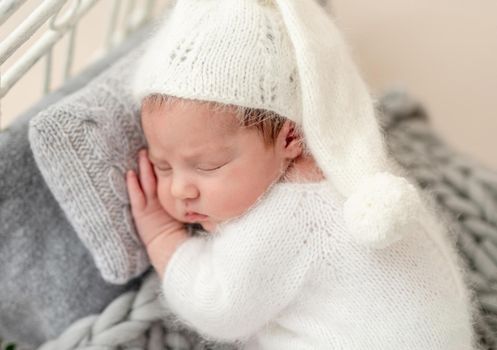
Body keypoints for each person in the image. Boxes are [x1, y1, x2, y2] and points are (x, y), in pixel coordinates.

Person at [126, 0, 477, 348]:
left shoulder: (291, 213)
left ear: (290, 138)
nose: (181, 189)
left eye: (208, 166)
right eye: (163, 166)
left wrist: (162, 236)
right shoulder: (343, 168)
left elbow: (216, 303)